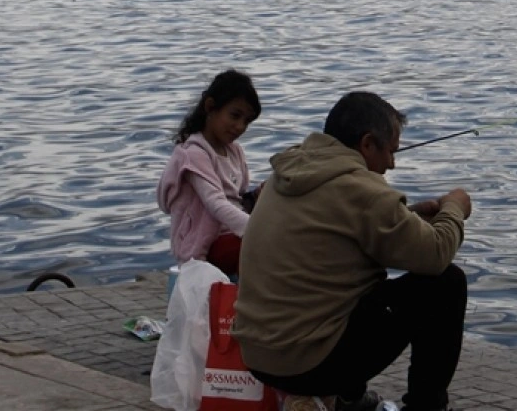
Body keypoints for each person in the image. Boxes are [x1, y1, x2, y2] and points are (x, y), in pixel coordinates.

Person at [232, 91, 472, 411]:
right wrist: (455, 207)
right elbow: (436, 254)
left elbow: (337, 233)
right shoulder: (362, 190)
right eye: (390, 151)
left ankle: (347, 399)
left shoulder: (290, 171)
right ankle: (426, 407)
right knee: (446, 284)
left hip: (256, 354)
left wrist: (409, 216)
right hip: (306, 362)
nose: (392, 164)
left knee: (352, 284)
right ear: (367, 144)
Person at [156, 69, 262, 278]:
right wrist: (259, 230)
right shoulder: (194, 155)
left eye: (247, 121)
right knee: (265, 246)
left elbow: (237, 199)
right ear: (210, 107)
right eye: (234, 116)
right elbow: (216, 204)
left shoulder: (234, 151)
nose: (240, 126)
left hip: (233, 234)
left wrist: (263, 196)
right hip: (204, 245)